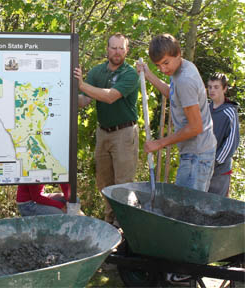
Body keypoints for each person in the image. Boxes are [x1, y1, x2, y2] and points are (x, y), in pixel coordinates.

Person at [73, 33, 140, 225]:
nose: (117, 52)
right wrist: (64, 90)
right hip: (103, 133)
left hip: (124, 133)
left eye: (121, 48)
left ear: (126, 50)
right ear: (107, 49)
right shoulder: (97, 72)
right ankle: (111, 222)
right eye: (113, 48)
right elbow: (84, 100)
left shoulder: (130, 73)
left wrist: (82, 85)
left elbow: (110, 96)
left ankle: (126, 225)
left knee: (123, 184)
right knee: (104, 182)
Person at [136, 33, 217, 192]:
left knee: (188, 210)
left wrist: (159, 143)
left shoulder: (185, 80)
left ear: (178, 53)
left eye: (166, 63)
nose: (163, 69)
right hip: (196, 151)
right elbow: (174, 95)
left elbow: (195, 127)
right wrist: (148, 75)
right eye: (158, 66)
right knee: (187, 207)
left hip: (197, 156)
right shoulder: (181, 67)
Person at [207, 73, 240, 197]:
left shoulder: (230, 112)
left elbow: (232, 143)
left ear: (224, 89)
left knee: (216, 207)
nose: (212, 90)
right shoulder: (206, 109)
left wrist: (214, 162)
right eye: (210, 87)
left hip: (219, 171)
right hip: (202, 167)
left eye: (216, 87)